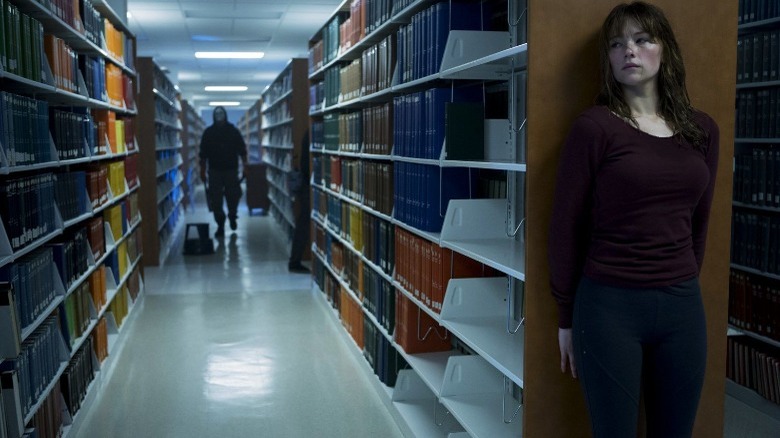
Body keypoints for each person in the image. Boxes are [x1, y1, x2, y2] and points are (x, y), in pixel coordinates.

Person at [548, 2, 719, 437]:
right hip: (608, 308)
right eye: (618, 43)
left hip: (682, 307)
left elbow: (700, 221)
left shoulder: (702, 131)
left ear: (666, 50)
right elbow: (565, 226)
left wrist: (680, 277)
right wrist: (566, 318)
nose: (630, 51)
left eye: (643, 39)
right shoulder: (594, 128)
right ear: (608, 58)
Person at [199, 106, 248, 238]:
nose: (219, 116)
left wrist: (245, 166)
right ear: (214, 116)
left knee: (233, 195)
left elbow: (242, 150)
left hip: (231, 170)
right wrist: (202, 170)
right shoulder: (208, 133)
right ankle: (220, 223)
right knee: (216, 199)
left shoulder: (233, 131)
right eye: (217, 114)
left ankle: (232, 215)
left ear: (225, 115)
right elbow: (203, 154)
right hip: (214, 171)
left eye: (221, 114)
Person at [288, 131, 310, 273]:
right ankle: (295, 260)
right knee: (304, 223)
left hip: (307, 184)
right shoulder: (310, 134)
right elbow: (306, 165)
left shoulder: (307, 134)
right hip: (308, 186)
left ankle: (295, 260)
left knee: (303, 222)